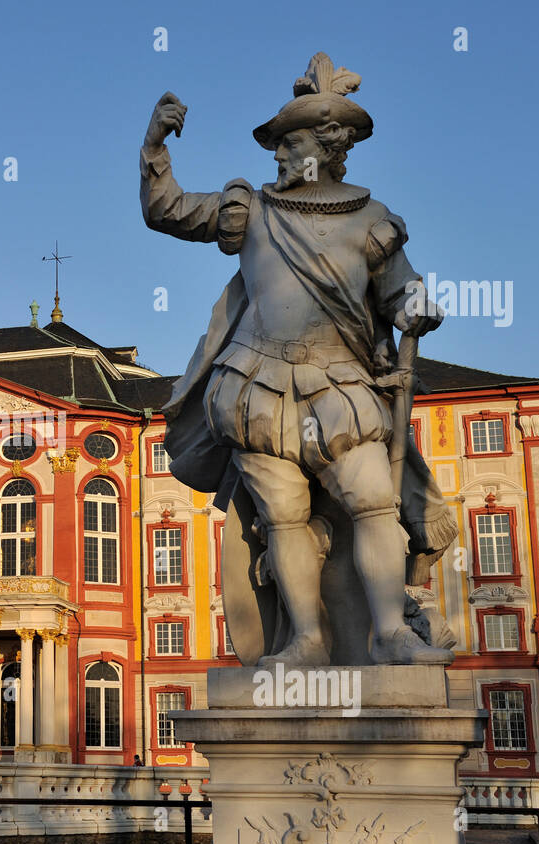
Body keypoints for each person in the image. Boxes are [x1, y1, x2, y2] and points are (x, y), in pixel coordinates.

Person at [141, 53, 456, 666]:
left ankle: (390, 630)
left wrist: (418, 305)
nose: (278, 155)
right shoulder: (250, 209)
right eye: (277, 145)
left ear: (326, 146)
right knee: (283, 516)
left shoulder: (371, 220)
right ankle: (306, 640)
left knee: (372, 499)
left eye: (290, 143)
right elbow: (167, 211)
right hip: (255, 383)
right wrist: (155, 146)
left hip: (340, 383)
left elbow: (399, 293)